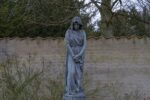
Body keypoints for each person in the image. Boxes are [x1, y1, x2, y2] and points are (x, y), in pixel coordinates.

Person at [63, 16, 87, 100]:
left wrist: (79, 54)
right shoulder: (68, 32)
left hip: (80, 54)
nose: (76, 26)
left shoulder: (83, 32)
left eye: (77, 24)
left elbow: (85, 45)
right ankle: (70, 91)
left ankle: (77, 90)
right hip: (71, 54)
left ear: (80, 24)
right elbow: (67, 44)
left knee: (78, 75)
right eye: (74, 24)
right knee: (71, 73)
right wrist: (73, 55)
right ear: (72, 24)